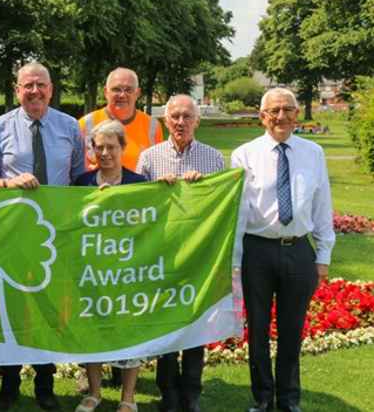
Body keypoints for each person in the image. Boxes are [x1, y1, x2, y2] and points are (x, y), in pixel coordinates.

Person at [0, 62, 85, 411]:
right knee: (12, 308)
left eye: (41, 85)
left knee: (48, 311)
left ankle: (45, 384)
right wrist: (9, 183)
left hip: (57, 236)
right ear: (17, 89)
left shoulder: (70, 127)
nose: (35, 91)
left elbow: (80, 181)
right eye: (28, 85)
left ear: (52, 89)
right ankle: (9, 385)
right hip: (12, 235)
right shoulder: (0, 127)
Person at [231, 88, 334, 412]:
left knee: (293, 330)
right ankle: (262, 399)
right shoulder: (244, 155)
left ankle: (289, 400)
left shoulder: (313, 153)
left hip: (299, 252)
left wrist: (323, 257)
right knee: (258, 330)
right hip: (257, 251)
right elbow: (237, 215)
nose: (281, 116)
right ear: (262, 116)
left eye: (288, 109)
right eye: (274, 110)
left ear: (297, 113)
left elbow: (322, 206)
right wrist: (235, 261)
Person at [136, 95, 225, 412]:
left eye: (187, 116)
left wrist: (204, 188)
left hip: (199, 255)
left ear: (197, 121)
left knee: (196, 323)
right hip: (162, 255)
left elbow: (221, 207)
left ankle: (192, 392)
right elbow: (135, 209)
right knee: (166, 324)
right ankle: (168, 393)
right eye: (174, 116)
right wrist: (155, 192)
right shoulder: (149, 158)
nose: (180, 122)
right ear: (165, 121)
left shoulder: (214, 160)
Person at [72, 120, 146, 412]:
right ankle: (94, 393)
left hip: (127, 271)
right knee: (93, 329)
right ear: (91, 150)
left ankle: (128, 398)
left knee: (129, 331)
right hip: (92, 270)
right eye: (98, 147)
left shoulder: (139, 184)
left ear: (123, 148)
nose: (105, 152)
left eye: (111, 147)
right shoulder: (81, 183)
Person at [79, 67, 163, 172]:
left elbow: (160, 166)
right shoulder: (84, 124)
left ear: (137, 93)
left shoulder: (153, 126)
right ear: (106, 92)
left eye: (128, 90)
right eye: (116, 89)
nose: (122, 95)